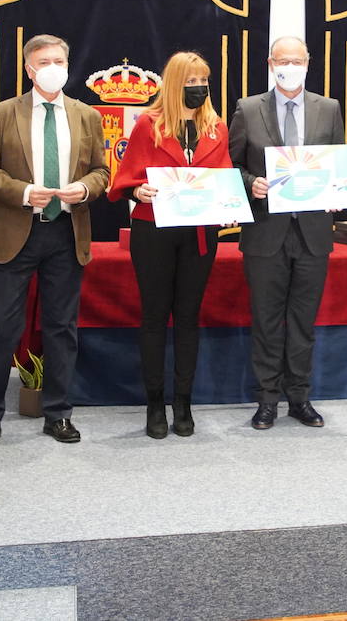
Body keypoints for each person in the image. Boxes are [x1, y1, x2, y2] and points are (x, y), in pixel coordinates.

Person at [0, 34, 108, 450]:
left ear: (68, 65)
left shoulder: (86, 115)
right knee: (1, 326)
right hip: (16, 231)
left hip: (66, 233)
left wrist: (83, 190)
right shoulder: (3, 112)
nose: (53, 67)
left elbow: (101, 173)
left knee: (61, 327)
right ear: (30, 69)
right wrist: (24, 191)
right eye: (43, 61)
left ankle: (58, 413)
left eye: (59, 60)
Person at [110, 51, 233, 439]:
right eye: (192, 81)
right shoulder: (148, 125)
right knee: (154, 316)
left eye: (204, 81)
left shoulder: (217, 127)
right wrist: (138, 190)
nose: (199, 88)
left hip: (200, 233)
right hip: (154, 232)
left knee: (188, 317)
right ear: (175, 83)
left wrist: (229, 205)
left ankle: (183, 402)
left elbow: (225, 175)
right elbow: (125, 178)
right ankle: (154, 403)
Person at [230, 36, 343, 430]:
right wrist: (251, 183)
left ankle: (300, 397)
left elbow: (337, 164)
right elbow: (231, 165)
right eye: (283, 60)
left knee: (302, 322)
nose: (290, 66)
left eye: (297, 60)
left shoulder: (329, 108)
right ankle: (266, 401)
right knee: (265, 319)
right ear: (270, 62)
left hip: (312, 231)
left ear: (309, 64)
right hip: (265, 230)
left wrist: (337, 192)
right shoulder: (247, 108)